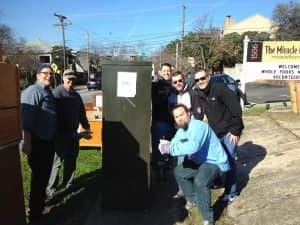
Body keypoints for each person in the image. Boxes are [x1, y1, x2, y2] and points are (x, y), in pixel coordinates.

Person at [159, 104, 229, 225]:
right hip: (200, 162)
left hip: (215, 163)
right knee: (179, 172)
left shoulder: (198, 126)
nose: (179, 118)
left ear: (189, 113)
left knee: (200, 182)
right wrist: (167, 144)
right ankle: (195, 200)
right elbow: (174, 143)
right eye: (176, 117)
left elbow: (193, 147)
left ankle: (208, 218)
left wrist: (169, 149)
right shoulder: (181, 130)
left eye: (182, 114)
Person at [193, 69, 244, 203]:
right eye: (197, 80)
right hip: (216, 134)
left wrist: (235, 130)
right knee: (219, 161)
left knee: (229, 161)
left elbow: (236, 109)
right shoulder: (200, 93)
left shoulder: (220, 89)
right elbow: (198, 113)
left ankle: (231, 192)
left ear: (208, 77)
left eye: (202, 78)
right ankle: (222, 183)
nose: (200, 82)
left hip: (229, 132)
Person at [46, 69, 90, 200]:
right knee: (57, 163)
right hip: (60, 134)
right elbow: (49, 114)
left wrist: (86, 126)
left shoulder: (76, 95)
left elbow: (81, 112)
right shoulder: (56, 94)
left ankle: (68, 184)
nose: (71, 82)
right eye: (68, 79)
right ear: (63, 79)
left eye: (73, 80)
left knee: (72, 159)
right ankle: (50, 190)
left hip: (73, 133)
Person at [20, 63, 57, 222]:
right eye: (45, 73)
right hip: (37, 143)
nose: (49, 76)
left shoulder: (47, 91)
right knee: (39, 178)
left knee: (43, 177)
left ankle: (39, 207)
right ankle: (34, 214)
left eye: (51, 73)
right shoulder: (32, 91)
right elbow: (26, 120)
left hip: (48, 142)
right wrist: (27, 143)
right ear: (37, 75)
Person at [151, 63, 175, 179]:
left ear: (171, 72)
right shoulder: (155, 86)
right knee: (158, 148)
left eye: (168, 70)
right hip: (159, 121)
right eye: (164, 70)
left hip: (172, 122)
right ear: (160, 72)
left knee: (169, 148)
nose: (166, 72)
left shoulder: (175, 85)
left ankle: (166, 169)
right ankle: (158, 170)